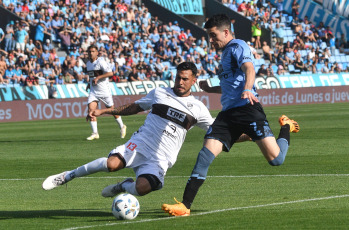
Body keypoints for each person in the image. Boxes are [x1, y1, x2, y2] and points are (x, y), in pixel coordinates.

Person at [162, 14, 300, 217]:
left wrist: (248, 89)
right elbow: (231, 84)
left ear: (225, 32)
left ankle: (286, 126)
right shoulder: (225, 52)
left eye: (213, 35)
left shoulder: (238, 46)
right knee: (205, 154)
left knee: (276, 160)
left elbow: (249, 68)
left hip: (247, 108)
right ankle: (185, 205)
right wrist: (212, 89)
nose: (210, 40)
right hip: (227, 114)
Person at [42, 62, 220, 198]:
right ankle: (68, 176)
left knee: (141, 188)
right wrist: (104, 111)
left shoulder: (198, 108)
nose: (180, 82)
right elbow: (134, 107)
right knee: (111, 164)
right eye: (178, 78)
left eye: (185, 79)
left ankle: (123, 186)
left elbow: (220, 132)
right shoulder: (160, 93)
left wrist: (247, 134)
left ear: (194, 80)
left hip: (162, 157)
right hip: (141, 143)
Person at [85, 45, 126, 140]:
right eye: (89, 51)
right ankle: (95, 133)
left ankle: (122, 126)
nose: (91, 53)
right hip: (94, 91)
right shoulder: (88, 64)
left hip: (104, 91)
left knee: (112, 110)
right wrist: (89, 83)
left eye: (93, 51)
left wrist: (98, 78)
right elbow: (92, 75)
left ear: (96, 52)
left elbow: (110, 73)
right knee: (91, 111)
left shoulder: (101, 62)